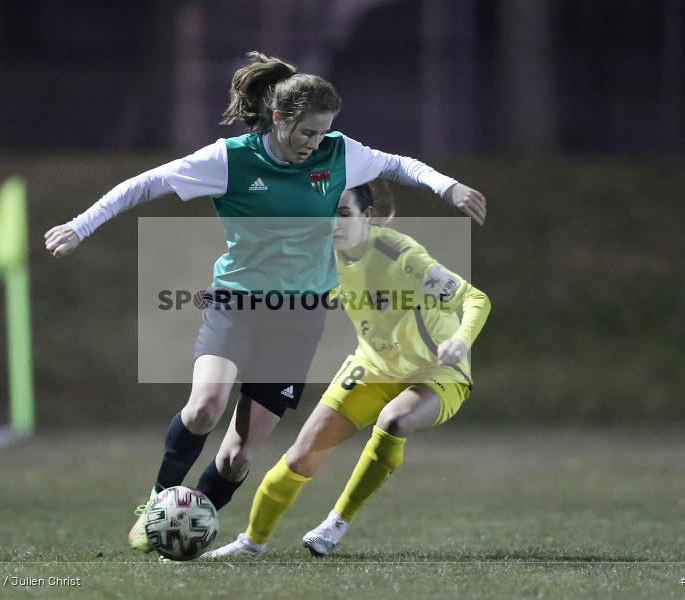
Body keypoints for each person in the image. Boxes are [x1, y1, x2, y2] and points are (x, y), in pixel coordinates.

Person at [43, 51, 487, 553]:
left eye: (322, 133)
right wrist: (80, 226)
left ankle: (182, 534)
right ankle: (157, 502)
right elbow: (147, 183)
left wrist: (447, 187)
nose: (314, 143)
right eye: (305, 132)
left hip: (299, 320)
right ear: (279, 117)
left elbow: (399, 164)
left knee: (236, 459)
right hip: (236, 304)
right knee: (205, 408)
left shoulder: (338, 153)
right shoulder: (229, 159)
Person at [202, 183, 490, 559]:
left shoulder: (399, 254)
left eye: (343, 213)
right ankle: (250, 543)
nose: (333, 223)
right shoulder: (320, 258)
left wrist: (461, 342)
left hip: (437, 371)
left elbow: (474, 298)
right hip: (372, 366)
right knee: (301, 455)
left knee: (394, 420)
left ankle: (336, 523)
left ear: (366, 217)